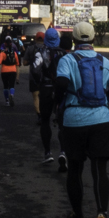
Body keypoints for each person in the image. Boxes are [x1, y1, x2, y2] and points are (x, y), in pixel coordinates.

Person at [55, 22, 109, 218]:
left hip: (74, 120)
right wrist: (104, 96)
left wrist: (59, 101)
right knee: (99, 170)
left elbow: (62, 83)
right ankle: (102, 214)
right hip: (102, 120)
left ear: (74, 39)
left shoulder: (67, 60)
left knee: (75, 169)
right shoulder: (104, 61)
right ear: (93, 38)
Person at [37, 28, 69, 169]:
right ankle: (62, 152)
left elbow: (34, 69)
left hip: (45, 89)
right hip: (61, 90)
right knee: (62, 123)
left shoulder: (41, 52)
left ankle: (48, 152)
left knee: (45, 121)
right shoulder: (64, 54)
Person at [23, 31, 46, 124]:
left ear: (36, 39)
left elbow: (24, 63)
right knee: (44, 97)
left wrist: (31, 61)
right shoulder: (47, 49)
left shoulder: (30, 48)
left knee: (36, 97)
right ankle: (45, 115)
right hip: (45, 77)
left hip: (33, 76)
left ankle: (39, 115)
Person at [0, 36, 20, 106]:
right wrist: (17, 76)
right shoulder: (14, 53)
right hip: (13, 71)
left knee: (5, 86)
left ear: (5, 43)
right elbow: (17, 63)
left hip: (4, 71)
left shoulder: (2, 53)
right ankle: (12, 94)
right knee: (11, 85)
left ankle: (7, 101)